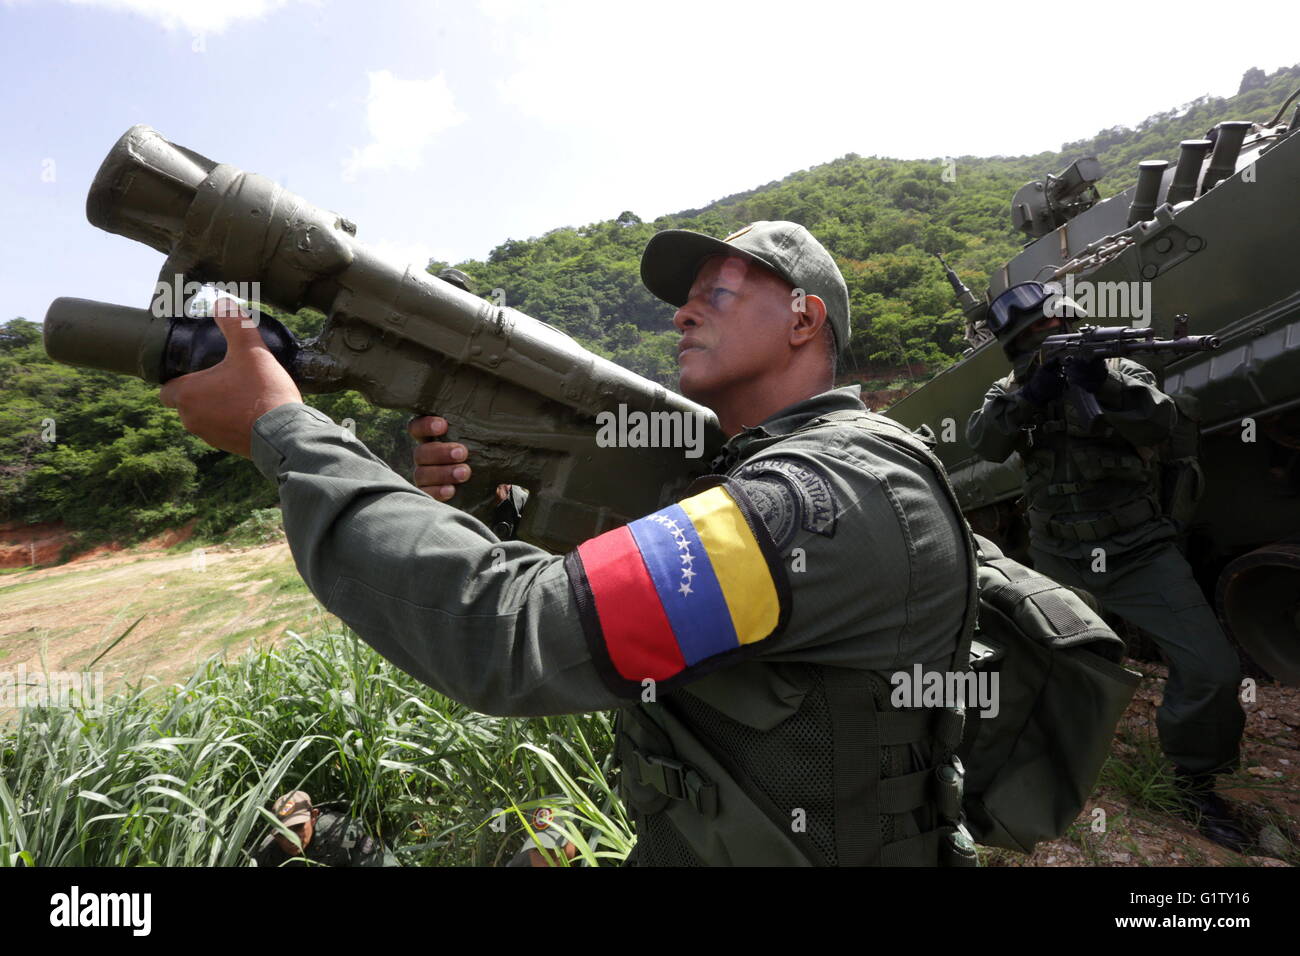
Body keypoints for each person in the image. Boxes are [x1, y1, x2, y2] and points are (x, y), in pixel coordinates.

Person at [160, 221, 975, 866]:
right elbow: (595, 583)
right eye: (685, 300)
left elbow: (512, 633)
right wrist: (488, 502)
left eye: (716, 294)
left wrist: (286, 433)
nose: (683, 313)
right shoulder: (764, 473)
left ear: (805, 317)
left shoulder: (814, 499)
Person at [965, 281, 1249, 851]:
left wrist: (1104, 386)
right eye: (1032, 336)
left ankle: (1195, 782)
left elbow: (1161, 424)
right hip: (1057, 557)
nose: (1048, 338)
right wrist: (1030, 395)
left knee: (1214, 673)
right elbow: (984, 442)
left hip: (1139, 552)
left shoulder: (1122, 369)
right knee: (1038, 674)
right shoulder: (1013, 387)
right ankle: (1032, 774)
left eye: (1052, 326)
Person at [251, 790, 398, 867]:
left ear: (313, 817)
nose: (291, 838)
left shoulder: (343, 833)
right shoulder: (268, 853)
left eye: (298, 827)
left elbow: (377, 860)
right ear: (275, 835)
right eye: (283, 833)